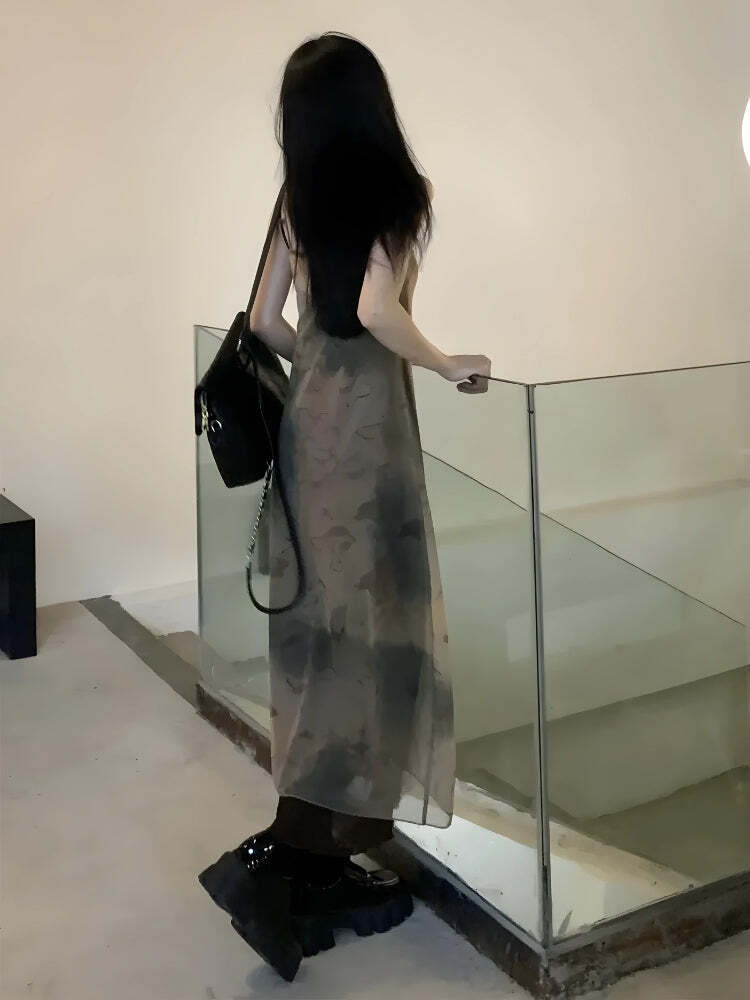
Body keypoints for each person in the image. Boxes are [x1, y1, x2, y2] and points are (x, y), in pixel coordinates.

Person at [198, 31, 491, 981]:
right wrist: (444, 362)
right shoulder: (402, 193)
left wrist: (317, 370)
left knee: (321, 638)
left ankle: (311, 855)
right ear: (373, 103)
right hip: (370, 445)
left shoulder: (296, 198)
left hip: (305, 435)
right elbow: (374, 307)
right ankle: (298, 856)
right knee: (375, 638)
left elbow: (267, 323)